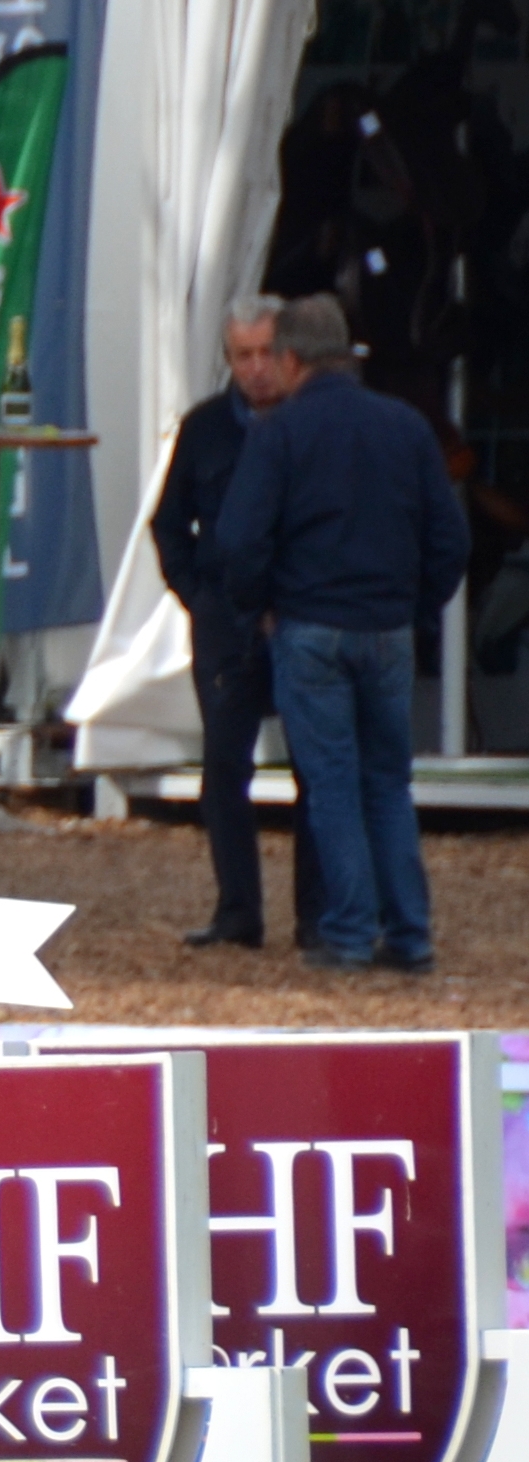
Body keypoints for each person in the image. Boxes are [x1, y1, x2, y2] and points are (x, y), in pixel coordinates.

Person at [215, 292, 470, 974]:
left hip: (308, 625)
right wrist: (413, 608)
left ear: (291, 358)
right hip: (386, 626)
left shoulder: (280, 433)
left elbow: (237, 540)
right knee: (387, 782)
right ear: (348, 354)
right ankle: (409, 934)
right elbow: (450, 539)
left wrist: (258, 607)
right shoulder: (406, 427)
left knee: (330, 784)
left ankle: (351, 933)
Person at [150, 298, 312, 952]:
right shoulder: (206, 427)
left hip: (302, 617)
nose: (256, 369)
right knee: (223, 767)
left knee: (316, 770)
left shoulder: (314, 425)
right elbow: (167, 523)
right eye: (242, 356)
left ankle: (318, 918)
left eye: (267, 353)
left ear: (290, 353)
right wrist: (198, 596)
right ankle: (236, 911)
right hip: (225, 623)